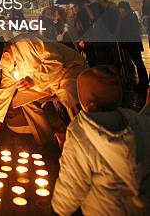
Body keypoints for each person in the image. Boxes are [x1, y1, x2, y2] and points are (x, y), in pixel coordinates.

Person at [52, 65, 150, 216]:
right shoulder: (134, 119)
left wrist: (58, 210)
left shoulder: (81, 132)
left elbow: (72, 183)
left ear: (90, 104)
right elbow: (146, 119)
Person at [0, 33, 86, 148]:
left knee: (69, 93)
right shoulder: (9, 69)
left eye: (1, 65)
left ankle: (83, 137)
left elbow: (54, 61)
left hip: (67, 70)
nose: (2, 68)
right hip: (45, 83)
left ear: (6, 55)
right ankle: (47, 141)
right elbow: (3, 94)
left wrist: (33, 81)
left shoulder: (27, 42)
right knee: (23, 99)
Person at [117, 1, 148, 90]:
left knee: (138, 62)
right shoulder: (130, 16)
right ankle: (143, 81)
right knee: (138, 62)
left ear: (124, 8)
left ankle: (143, 83)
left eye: (120, 8)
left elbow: (128, 31)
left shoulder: (129, 17)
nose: (119, 10)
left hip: (132, 43)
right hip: (133, 43)